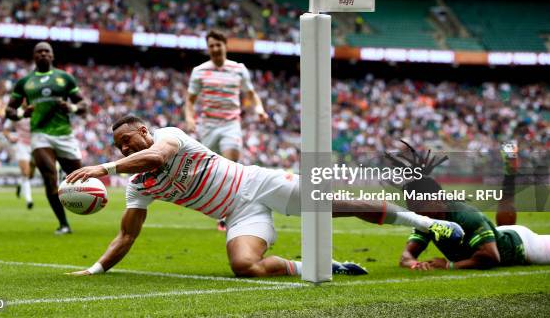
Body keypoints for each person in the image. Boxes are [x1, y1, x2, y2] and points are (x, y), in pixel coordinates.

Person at [64, 115, 464, 277]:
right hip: (237, 213)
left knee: (337, 205)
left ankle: (430, 224)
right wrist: (96, 269)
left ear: (144, 130)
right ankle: (326, 267)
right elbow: (128, 234)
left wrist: (104, 168)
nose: (122, 149)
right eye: (116, 147)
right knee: (244, 267)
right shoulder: (138, 184)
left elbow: (159, 155)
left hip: (257, 183)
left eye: (125, 140)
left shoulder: (169, 136)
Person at [388, 143, 550, 270]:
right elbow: (407, 255)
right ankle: (509, 175)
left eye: (419, 205)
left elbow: (492, 257)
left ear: (436, 200)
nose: (415, 212)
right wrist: (414, 264)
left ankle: (510, 176)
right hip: (500, 234)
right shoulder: (425, 220)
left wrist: (449, 266)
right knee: (502, 224)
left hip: (525, 246)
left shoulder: (465, 215)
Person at [185, 30, 268, 231]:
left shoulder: (238, 69)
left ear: (225, 46)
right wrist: (189, 118)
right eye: (211, 46)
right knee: (206, 170)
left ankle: (226, 213)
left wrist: (259, 109)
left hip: (230, 124)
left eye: (218, 45)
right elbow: (190, 100)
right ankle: (214, 202)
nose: (214, 49)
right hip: (208, 125)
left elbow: (251, 93)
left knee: (231, 164)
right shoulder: (200, 71)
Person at [5, 42, 88, 234]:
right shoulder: (25, 82)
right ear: (34, 57)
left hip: (64, 134)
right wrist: (21, 114)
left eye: (47, 51)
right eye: (39, 52)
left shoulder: (64, 78)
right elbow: (9, 110)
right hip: (40, 135)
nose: (43, 54)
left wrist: (73, 108)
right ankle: (64, 224)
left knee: (80, 177)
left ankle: (85, 203)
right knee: (50, 177)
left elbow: (82, 104)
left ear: (52, 56)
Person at [3, 115, 34, 209]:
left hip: (35, 145)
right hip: (22, 146)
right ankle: (29, 200)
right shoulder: (16, 113)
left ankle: (20, 184)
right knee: (25, 172)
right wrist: (10, 137)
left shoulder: (37, 111)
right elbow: (5, 130)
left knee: (30, 175)